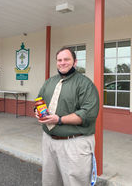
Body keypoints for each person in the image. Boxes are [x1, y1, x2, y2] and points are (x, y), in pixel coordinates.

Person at [35, 47, 99, 186]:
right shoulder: (49, 82)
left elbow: (88, 114)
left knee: (75, 182)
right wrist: (37, 111)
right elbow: (39, 101)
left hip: (74, 143)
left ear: (75, 62)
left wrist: (59, 120)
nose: (62, 63)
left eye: (66, 59)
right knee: (50, 181)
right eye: (59, 60)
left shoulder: (85, 84)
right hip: (49, 141)